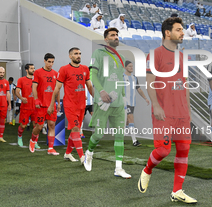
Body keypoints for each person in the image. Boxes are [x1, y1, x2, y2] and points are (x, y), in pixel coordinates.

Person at [138, 17, 197, 204]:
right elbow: (149, 82)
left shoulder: (183, 57)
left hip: (182, 114)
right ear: (167, 33)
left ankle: (177, 191)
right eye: (179, 29)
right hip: (163, 112)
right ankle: (147, 169)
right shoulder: (155, 55)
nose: (182, 33)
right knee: (163, 150)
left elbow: (185, 85)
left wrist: (188, 109)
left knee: (183, 150)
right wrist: (155, 105)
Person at [83, 27, 130, 178]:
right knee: (99, 134)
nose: (116, 37)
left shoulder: (121, 56)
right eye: (112, 35)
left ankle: (118, 168)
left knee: (119, 135)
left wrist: (124, 98)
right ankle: (89, 153)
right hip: (102, 103)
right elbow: (93, 75)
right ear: (106, 39)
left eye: (117, 35)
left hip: (118, 105)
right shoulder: (99, 53)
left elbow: (121, 78)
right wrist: (102, 91)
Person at [48, 47, 92, 163]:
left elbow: (89, 86)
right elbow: (57, 89)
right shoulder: (64, 69)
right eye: (76, 54)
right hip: (70, 105)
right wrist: (52, 104)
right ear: (70, 56)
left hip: (82, 104)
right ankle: (83, 157)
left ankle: (67, 153)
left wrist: (97, 99)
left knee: (75, 131)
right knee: (76, 128)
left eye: (80, 54)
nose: (78, 56)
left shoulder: (85, 69)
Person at [29, 53, 61, 155]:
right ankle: (33, 141)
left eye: (52, 62)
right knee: (39, 126)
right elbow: (34, 87)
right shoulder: (38, 72)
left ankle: (50, 148)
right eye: (49, 62)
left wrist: (58, 103)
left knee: (51, 125)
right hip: (41, 105)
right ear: (44, 61)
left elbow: (58, 90)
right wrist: (36, 99)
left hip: (52, 105)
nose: (51, 64)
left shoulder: (56, 74)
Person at [123, 60, 149, 147]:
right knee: (131, 118)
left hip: (132, 103)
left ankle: (120, 138)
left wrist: (145, 98)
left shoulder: (134, 78)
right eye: (129, 66)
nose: (131, 68)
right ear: (125, 67)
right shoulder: (121, 77)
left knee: (126, 122)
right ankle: (134, 141)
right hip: (124, 102)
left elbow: (139, 89)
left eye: (132, 66)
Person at [16, 64, 40, 149]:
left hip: (36, 107)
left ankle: (34, 142)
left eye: (34, 68)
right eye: (31, 68)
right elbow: (17, 91)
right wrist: (21, 98)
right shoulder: (21, 80)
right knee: (23, 125)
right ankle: (19, 137)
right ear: (26, 70)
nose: (33, 70)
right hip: (25, 107)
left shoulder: (37, 80)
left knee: (37, 125)